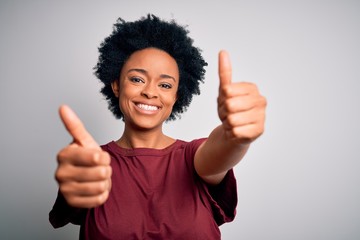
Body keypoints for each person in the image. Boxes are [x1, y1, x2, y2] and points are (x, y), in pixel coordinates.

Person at [49, 14, 266, 240]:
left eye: (164, 85)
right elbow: (76, 184)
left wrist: (236, 137)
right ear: (116, 85)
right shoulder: (93, 162)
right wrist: (74, 179)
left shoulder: (192, 157)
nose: (150, 92)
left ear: (176, 96)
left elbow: (219, 151)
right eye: (137, 79)